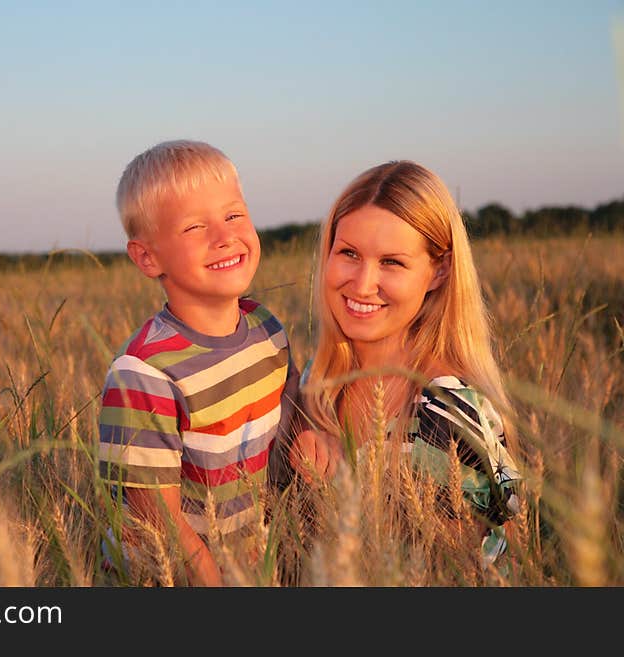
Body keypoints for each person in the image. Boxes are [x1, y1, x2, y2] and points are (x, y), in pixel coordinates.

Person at [290, 160, 522, 565]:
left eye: (391, 262)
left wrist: (339, 489)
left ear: (439, 271)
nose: (362, 284)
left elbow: (450, 571)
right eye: (348, 253)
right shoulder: (317, 381)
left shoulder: (447, 410)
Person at [97, 140, 300, 586]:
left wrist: (313, 441)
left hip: (246, 565)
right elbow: (157, 517)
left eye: (233, 216)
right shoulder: (144, 374)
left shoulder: (267, 329)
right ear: (148, 257)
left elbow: (292, 416)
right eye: (194, 227)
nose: (224, 236)